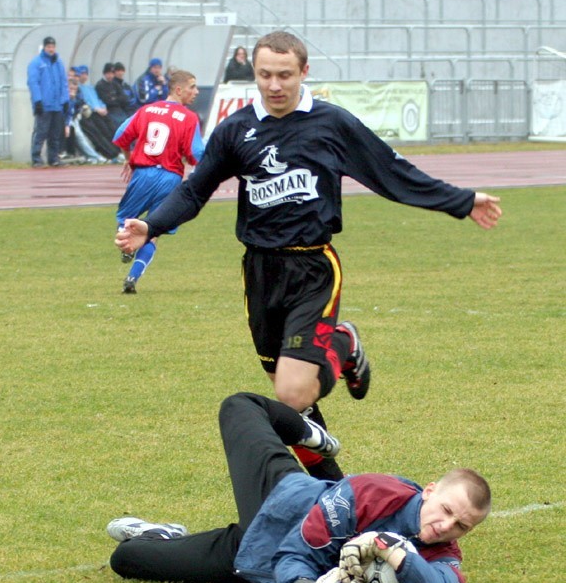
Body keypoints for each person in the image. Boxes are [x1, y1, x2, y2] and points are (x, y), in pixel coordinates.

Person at [115, 31, 502, 482]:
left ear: (303, 72)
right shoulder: (236, 130)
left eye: (284, 75)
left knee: (292, 394)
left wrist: (461, 200)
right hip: (259, 272)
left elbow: (390, 172)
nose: (274, 85)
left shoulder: (331, 124)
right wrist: (151, 225)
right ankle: (332, 489)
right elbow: (195, 189)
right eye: (264, 75)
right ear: (254, 74)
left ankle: (344, 344)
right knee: (294, 402)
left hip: (313, 269)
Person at [107, 392, 491, 583]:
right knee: (240, 406)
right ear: (429, 491)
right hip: (279, 504)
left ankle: (163, 534)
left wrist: (395, 552)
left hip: (251, 557)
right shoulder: (376, 491)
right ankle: (307, 433)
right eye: (445, 510)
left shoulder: (444, 551)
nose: (446, 526)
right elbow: (296, 552)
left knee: (126, 559)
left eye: (461, 525)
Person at [112, 69, 205, 294]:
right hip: (170, 178)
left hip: (143, 174)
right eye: (192, 87)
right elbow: (197, 153)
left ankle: (127, 248)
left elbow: (121, 135)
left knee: (125, 221)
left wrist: (130, 160)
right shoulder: (189, 117)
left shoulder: (145, 110)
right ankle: (133, 276)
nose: (196, 91)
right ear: (178, 89)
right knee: (153, 231)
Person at [26, 36, 69, 167]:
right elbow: (33, 83)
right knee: (41, 132)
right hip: (44, 104)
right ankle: (36, 158)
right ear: (44, 47)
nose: (51, 49)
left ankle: (53, 158)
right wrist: (37, 100)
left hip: (57, 105)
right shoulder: (36, 62)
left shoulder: (58, 63)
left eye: (52, 46)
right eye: (48, 46)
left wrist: (65, 99)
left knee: (55, 134)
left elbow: (63, 82)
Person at [77, 65, 123, 162]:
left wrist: (103, 107)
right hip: (92, 114)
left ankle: (119, 151)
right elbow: (85, 102)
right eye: (82, 74)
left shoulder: (90, 87)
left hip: (101, 111)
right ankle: (111, 154)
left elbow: (97, 99)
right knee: (102, 132)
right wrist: (96, 109)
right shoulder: (79, 89)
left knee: (113, 129)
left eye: (86, 74)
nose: (84, 76)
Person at [95, 62, 130, 130]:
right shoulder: (100, 85)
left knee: (127, 123)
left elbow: (124, 97)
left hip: (119, 109)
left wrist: (114, 99)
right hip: (109, 111)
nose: (110, 76)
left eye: (112, 73)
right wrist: (116, 99)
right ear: (104, 73)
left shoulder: (115, 84)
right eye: (108, 73)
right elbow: (106, 101)